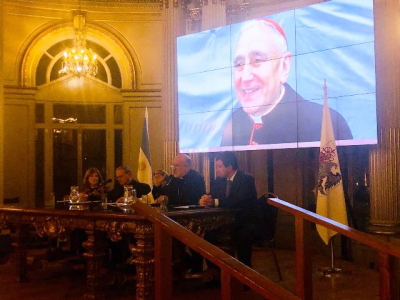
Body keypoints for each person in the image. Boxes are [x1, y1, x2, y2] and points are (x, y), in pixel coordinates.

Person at [221, 18, 352, 146]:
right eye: (239, 64)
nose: (245, 77)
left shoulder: (326, 123)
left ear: (284, 66)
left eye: (257, 61)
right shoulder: (234, 121)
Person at [199, 151, 259, 267]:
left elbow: (238, 201)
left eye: (219, 166)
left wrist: (214, 202)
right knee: (207, 236)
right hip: (225, 222)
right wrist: (206, 198)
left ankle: (245, 276)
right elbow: (212, 195)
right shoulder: (219, 180)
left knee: (242, 238)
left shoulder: (246, 179)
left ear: (230, 167)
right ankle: (217, 273)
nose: (216, 170)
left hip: (245, 221)